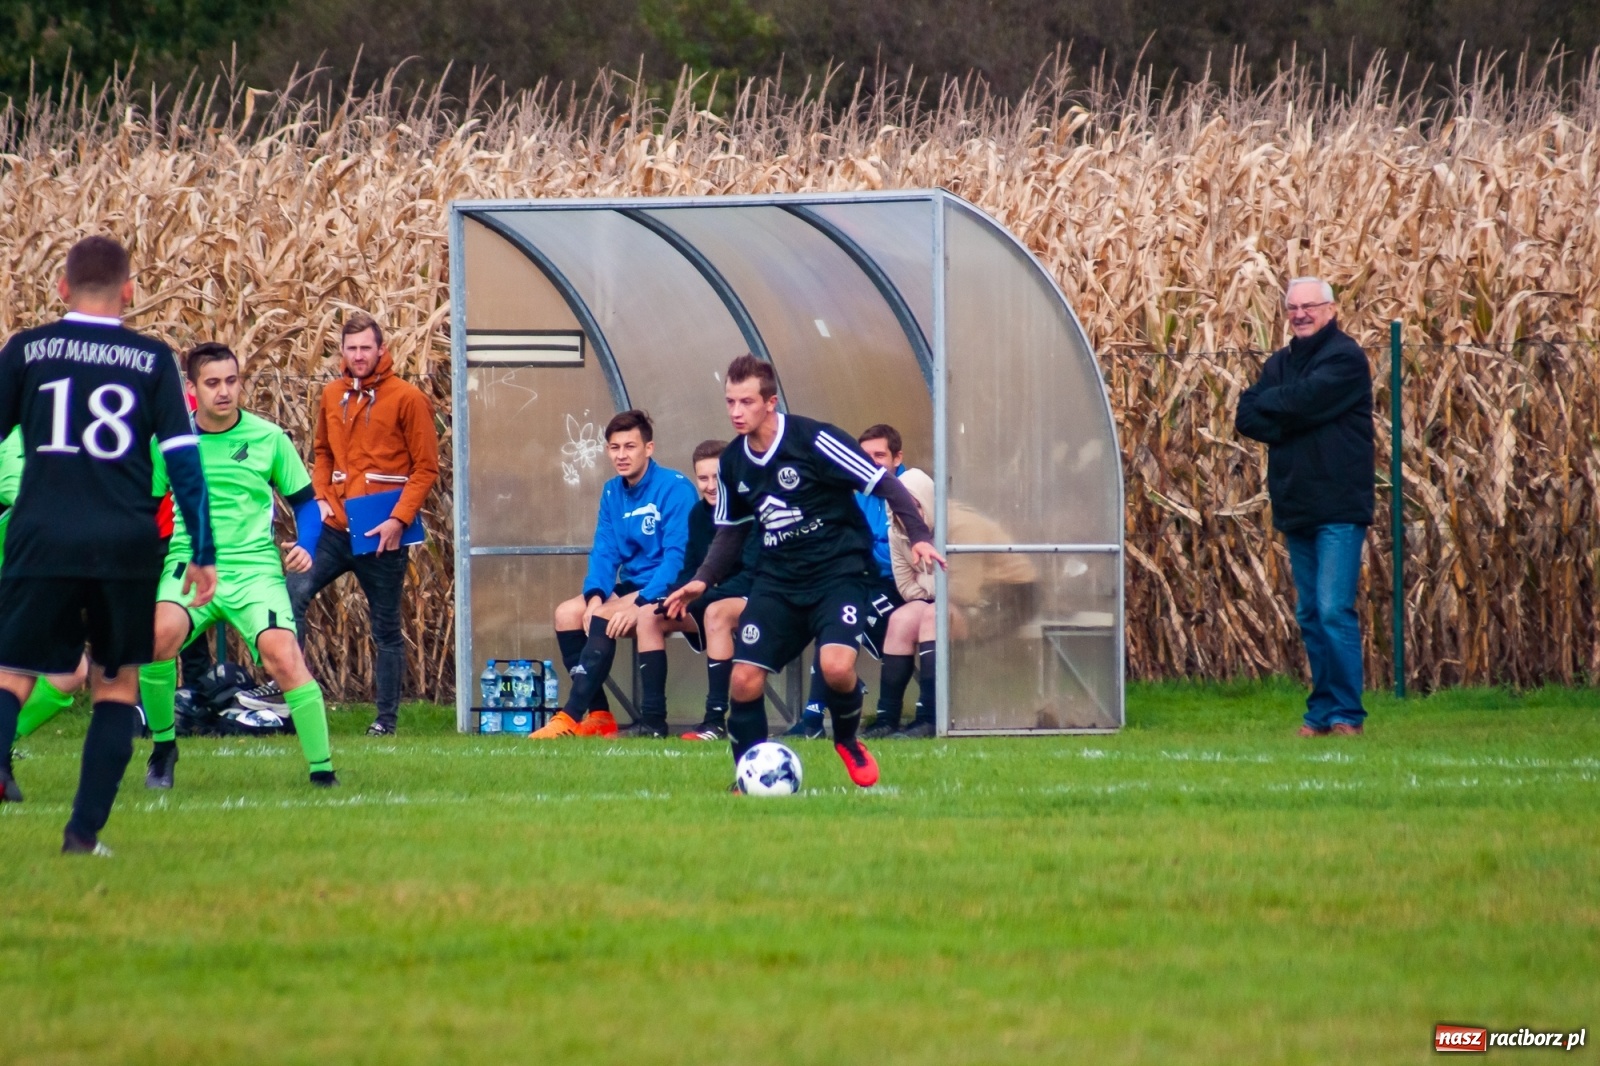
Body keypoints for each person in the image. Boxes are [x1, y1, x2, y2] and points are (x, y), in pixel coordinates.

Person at [0, 235, 216, 855]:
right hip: (124, 543)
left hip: (40, 535)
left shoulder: (27, 349)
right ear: (129, 292)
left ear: (62, 288)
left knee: (12, 673)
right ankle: (81, 835)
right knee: (114, 685)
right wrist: (203, 548)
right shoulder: (151, 360)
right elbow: (184, 463)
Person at [663, 355, 945, 790]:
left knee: (835, 667)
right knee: (744, 678)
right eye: (730, 402)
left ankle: (848, 739)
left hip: (839, 575)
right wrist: (701, 579)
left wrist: (921, 533)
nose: (736, 412)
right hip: (778, 582)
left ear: (770, 402)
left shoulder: (814, 440)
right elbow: (729, 533)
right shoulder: (734, 463)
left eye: (746, 402)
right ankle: (744, 779)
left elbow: (885, 483)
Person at [138, 343, 336, 788]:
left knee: (282, 656)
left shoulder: (269, 438)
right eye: (212, 383)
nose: (224, 391)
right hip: (189, 566)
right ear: (191, 388)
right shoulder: (169, 442)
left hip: (254, 571)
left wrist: (307, 543)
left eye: (231, 380)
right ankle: (164, 749)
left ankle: (323, 773)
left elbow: (307, 505)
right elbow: (146, 508)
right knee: (158, 637)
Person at [1235, 276, 1374, 737]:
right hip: (1297, 504)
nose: (1300, 314)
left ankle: (1346, 716)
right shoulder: (1280, 363)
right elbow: (1246, 416)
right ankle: (1322, 713)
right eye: (1292, 308)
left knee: (1334, 609)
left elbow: (1305, 400)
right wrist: (1290, 415)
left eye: (1309, 306)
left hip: (1338, 506)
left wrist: (1279, 409)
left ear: (1330, 310)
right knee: (1311, 613)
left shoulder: (1346, 359)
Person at [288, 312, 439, 736]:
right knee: (292, 593)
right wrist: (320, 496)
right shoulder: (331, 394)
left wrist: (398, 520)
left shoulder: (408, 398)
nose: (358, 356)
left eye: (365, 348)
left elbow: (426, 468)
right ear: (342, 352)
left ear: (381, 351)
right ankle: (290, 702)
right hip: (334, 527)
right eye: (351, 348)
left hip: (381, 533)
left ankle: (385, 721)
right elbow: (321, 451)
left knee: (386, 628)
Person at [531, 410, 697, 739]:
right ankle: (600, 715)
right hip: (632, 584)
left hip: (669, 585)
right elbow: (605, 552)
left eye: (630, 446)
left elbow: (678, 559)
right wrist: (594, 597)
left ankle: (568, 717)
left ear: (649, 448)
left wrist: (641, 602)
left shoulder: (675, 488)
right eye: (614, 447)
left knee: (604, 618)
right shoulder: (612, 492)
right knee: (568, 613)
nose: (621, 455)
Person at [629, 438, 762, 740]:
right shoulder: (697, 514)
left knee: (716, 612)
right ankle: (652, 722)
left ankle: (715, 721)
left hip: (752, 598)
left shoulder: (752, 511)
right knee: (650, 614)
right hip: (706, 597)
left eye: (718, 477)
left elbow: (751, 576)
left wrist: (699, 596)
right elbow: (689, 568)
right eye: (703, 478)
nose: (710, 485)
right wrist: (676, 596)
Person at [783, 423, 909, 740]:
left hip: (904, 587)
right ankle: (822, 708)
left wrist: (863, 551)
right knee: (827, 612)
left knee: (843, 619)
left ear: (898, 457)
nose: (871, 462)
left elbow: (899, 554)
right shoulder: (856, 491)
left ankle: (833, 702)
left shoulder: (910, 489)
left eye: (879, 455)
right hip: (862, 579)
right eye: (864, 456)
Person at [866, 466, 939, 738]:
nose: (907, 515)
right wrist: (931, 591)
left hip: (993, 603)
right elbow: (906, 587)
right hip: (936, 599)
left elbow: (965, 588)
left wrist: (931, 593)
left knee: (932, 617)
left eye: (915, 506)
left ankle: (929, 717)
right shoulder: (897, 532)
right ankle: (887, 718)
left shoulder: (954, 529)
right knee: (901, 618)